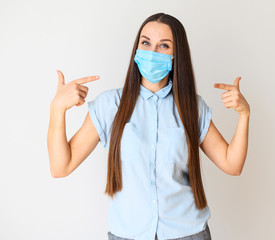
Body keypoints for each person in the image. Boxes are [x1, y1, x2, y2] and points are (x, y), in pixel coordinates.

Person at [47, 12, 250, 240]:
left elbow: (233, 165)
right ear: (136, 49)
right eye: (146, 43)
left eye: (164, 46)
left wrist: (244, 115)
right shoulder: (110, 105)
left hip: (188, 233)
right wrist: (57, 109)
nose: (152, 52)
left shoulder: (192, 106)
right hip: (127, 234)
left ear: (176, 55)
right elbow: (60, 167)